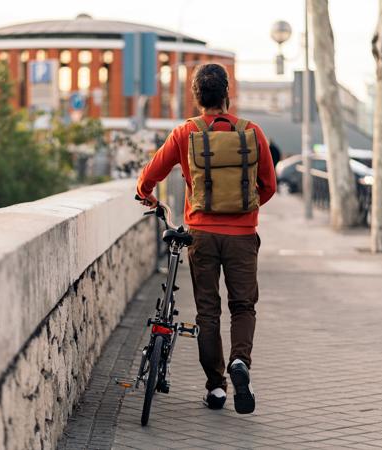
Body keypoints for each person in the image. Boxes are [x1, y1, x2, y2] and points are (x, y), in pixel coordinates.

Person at [136, 63, 276, 413]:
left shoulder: (186, 133)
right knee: (243, 306)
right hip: (243, 235)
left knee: (207, 313)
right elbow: (269, 186)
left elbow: (149, 176)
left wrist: (147, 195)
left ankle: (216, 388)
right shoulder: (252, 132)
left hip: (201, 235)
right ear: (228, 94)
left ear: (196, 96)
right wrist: (247, 210)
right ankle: (240, 361)